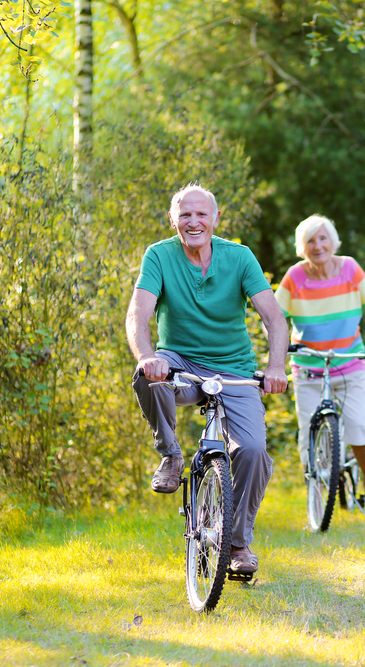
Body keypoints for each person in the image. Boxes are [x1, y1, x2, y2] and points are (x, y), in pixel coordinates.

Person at [126, 183, 289, 575]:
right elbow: (138, 315)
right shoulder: (159, 256)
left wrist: (276, 366)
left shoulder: (240, 257)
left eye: (201, 214)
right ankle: (171, 453)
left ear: (216, 219)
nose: (193, 221)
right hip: (178, 363)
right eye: (185, 214)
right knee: (147, 377)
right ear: (173, 220)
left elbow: (273, 318)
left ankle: (236, 545)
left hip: (233, 369)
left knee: (251, 450)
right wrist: (148, 356)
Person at [274, 214, 365, 518]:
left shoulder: (349, 268)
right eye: (310, 240)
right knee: (307, 433)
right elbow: (273, 316)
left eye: (323, 238)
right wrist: (278, 349)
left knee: (358, 426)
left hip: (348, 364)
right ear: (303, 246)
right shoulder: (295, 276)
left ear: (333, 241)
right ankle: (316, 487)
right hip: (308, 368)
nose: (318, 245)